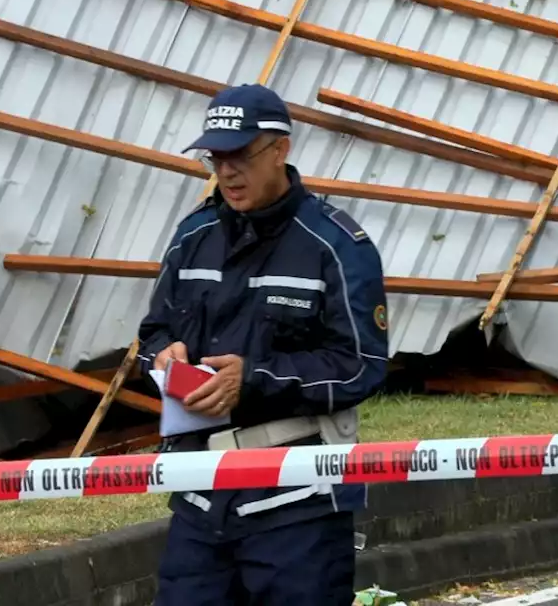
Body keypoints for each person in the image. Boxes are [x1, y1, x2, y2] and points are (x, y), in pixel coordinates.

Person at [137, 83, 389, 605]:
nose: (226, 171)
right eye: (215, 157)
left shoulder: (337, 246)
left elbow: (360, 365)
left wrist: (250, 379)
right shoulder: (192, 236)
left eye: (240, 155)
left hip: (298, 504)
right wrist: (163, 358)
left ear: (280, 149)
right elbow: (152, 334)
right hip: (200, 499)